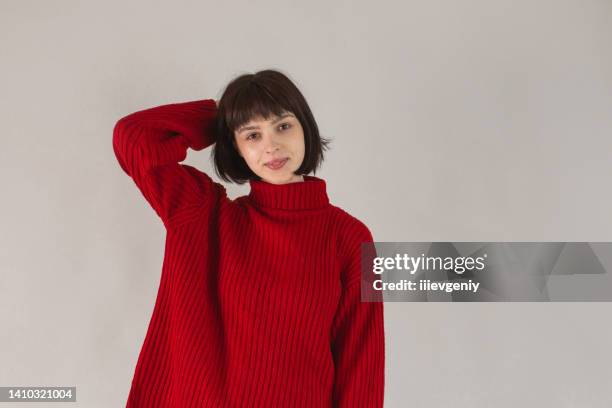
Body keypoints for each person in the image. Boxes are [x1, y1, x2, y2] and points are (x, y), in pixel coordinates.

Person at [112, 69, 385, 407]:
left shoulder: (352, 238)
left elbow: (361, 366)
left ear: (305, 128)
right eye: (252, 135)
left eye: (283, 126)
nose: (271, 145)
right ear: (235, 146)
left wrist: (244, 118)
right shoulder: (205, 217)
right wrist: (225, 113)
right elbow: (134, 137)